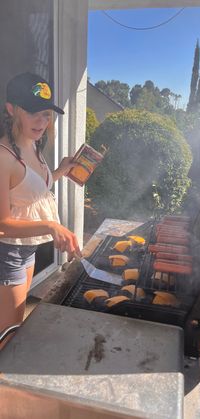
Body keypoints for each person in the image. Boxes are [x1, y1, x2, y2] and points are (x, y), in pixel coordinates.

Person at [0, 72, 81, 349]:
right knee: (7, 334)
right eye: (33, 112)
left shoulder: (33, 145)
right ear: (11, 110)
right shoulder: (3, 157)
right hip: (7, 253)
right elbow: (2, 224)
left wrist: (60, 171)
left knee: (15, 324)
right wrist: (51, 226)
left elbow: (31, 190)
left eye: (46, 114)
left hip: (27, 249)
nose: (42, 122)